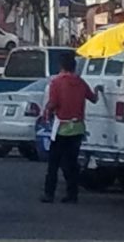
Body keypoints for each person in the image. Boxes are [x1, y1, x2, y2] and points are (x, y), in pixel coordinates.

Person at [41, 52, 99, 204]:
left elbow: (53, 103)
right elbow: (93, 98)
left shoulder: (56, 82)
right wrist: (98, 90)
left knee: (54, 162)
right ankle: (72, 193)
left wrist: (47, 110)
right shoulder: (80, 82)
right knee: (71, 162)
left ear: (61, 66)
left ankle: (49, 193)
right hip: (78, 127)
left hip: (62, 126)